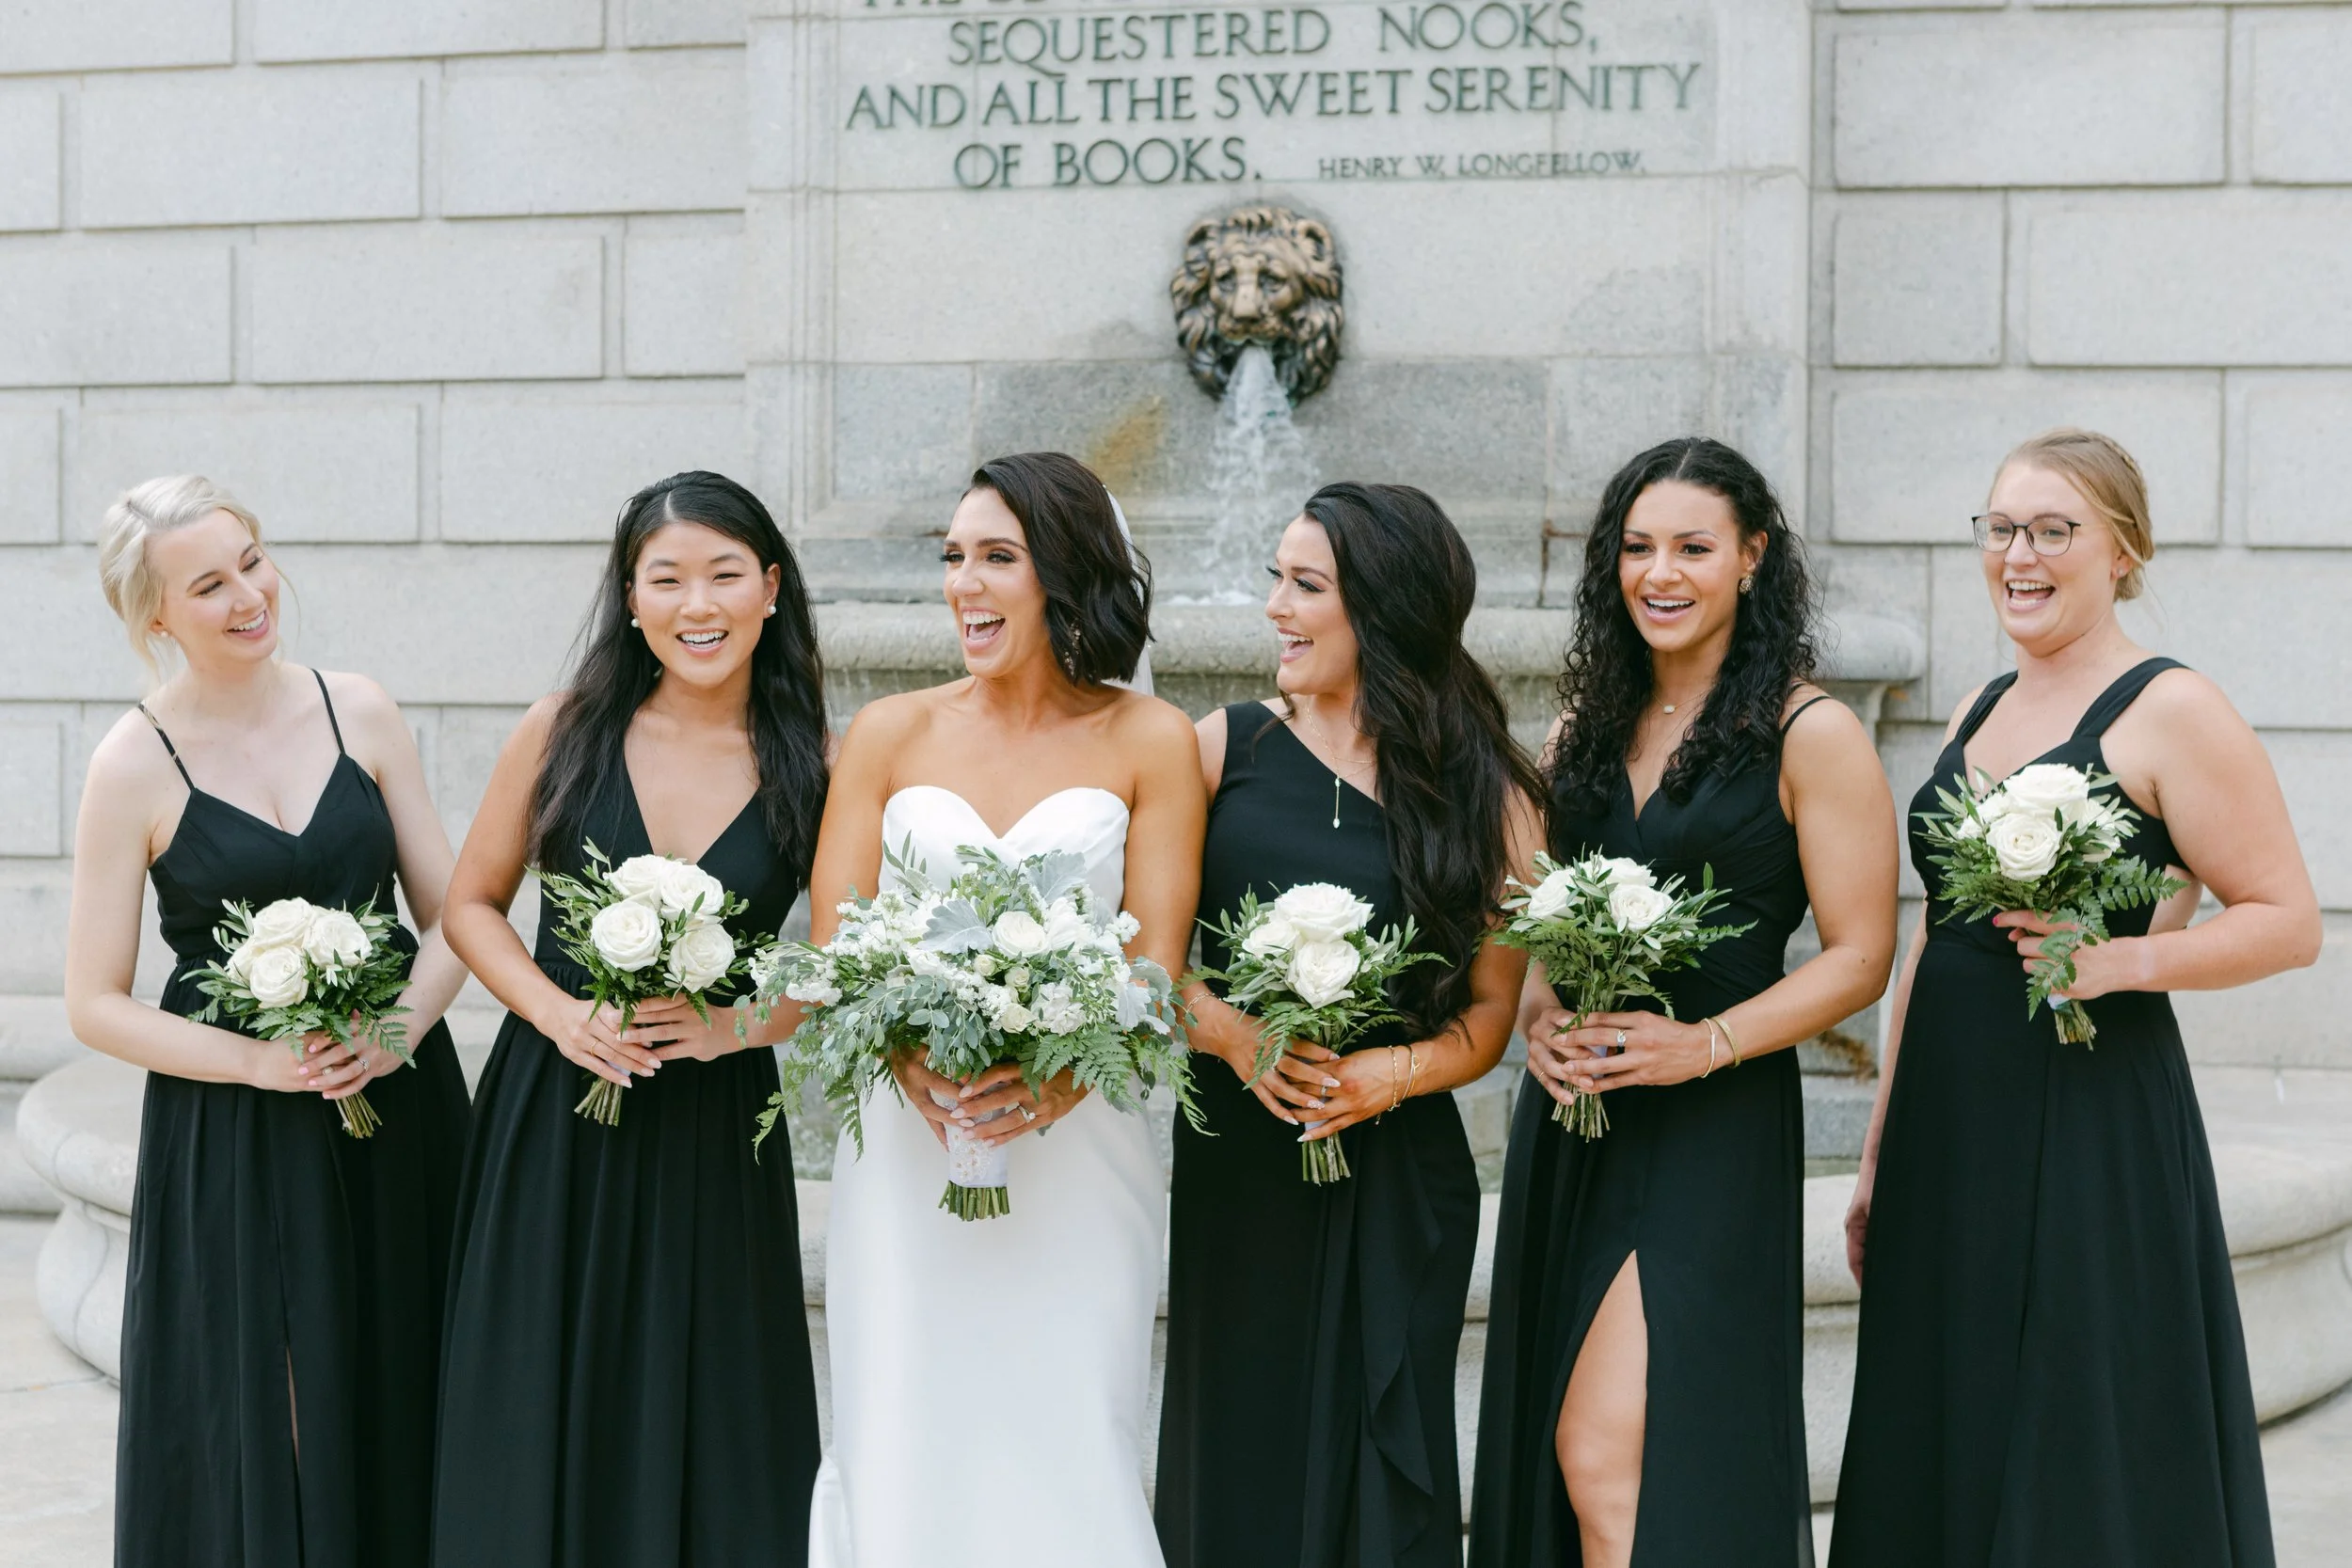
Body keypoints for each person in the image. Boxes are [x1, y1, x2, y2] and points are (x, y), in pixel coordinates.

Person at [1831, 429, 2320, 1567]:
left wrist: (2121, 959)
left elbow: (2286, 919)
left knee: (2070, 1417)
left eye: (2054, 529)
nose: (2020, 554)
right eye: (2001, 528)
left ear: (2123, 550)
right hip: (1950, 1124)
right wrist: (1876, 1151)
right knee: (1939, 1415)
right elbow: (1927, 943)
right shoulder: (1973, 705)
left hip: (2089, 1115)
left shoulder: (2173, 708)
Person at [1469, 437, 1899, 1568]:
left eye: (1692, 547)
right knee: (1587, 1460)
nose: (1659, 572)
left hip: (1713, 1119)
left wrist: (1702, 1044)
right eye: (1637, 546)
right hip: (1577, 1125)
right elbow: (1546, 925)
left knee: (1607, 1448)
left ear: (1752, 558)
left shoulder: (1814, 733)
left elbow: (1861, 955)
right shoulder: (1582, 732)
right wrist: (1539, 1023)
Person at [806, 451, 1205, 1568]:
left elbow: (1158, 969)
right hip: (907, 1135)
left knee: (1071, 1426)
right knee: (900, 1420)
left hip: (1080, 1147)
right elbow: (838, 934)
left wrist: (1053, 1083)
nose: (963, 585)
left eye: (996, 558)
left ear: (1063, 575)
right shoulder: (889, 732)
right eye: (952, 558)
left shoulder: (1150, 740)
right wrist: (914, 1062)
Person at [64, 474, 471, 1567]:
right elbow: (92, 999)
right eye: (209, 582)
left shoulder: (361, 708)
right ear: (155, 617)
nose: (249, 593)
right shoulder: (131, 764)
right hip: (240, 1130)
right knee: (278, 1405)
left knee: (407, 1368)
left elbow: (456, 918)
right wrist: (257, 1063)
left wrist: (392, 1032)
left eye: (252, 558)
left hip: (401, 1098)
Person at [432, 471, 827, 1567]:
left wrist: (740, 1027)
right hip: (551, 1107)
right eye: (668, 578)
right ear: (632, 596)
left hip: (711, 1124)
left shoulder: (815, 763)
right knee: (534, 1378)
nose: (697, 604)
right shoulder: (560, 729)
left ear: (769, 590)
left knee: (704, 1391)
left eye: (723, 575)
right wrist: (559, 1014)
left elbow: (847, 961)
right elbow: (470, 905)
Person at [1155, 483, 1542, 1568]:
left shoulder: (1493, 795)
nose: (1275, 605)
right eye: (1276, 577)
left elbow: (1488, 1019)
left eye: (1304, 584)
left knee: (1390, 1466)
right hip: (1241, 1166)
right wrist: (1236, 1035)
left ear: (1384, 605)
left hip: (1399, 1172)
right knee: (1239, 1452)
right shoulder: (1216, 749)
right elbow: (1144, 968)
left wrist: (1392, 1073)